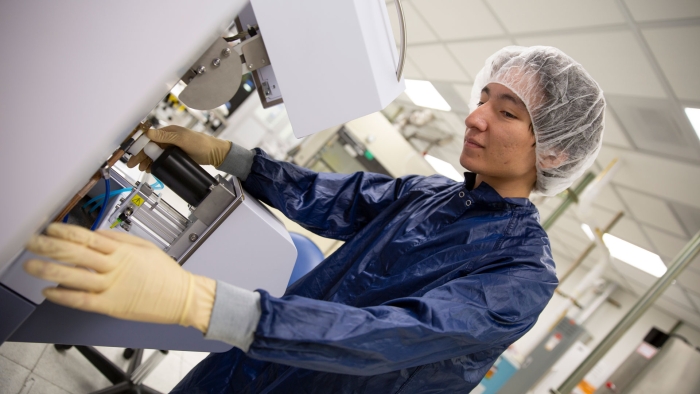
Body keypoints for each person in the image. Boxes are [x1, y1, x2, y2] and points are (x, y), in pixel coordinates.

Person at [24, 46, 605, 393]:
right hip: (247, 369)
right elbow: (331, 196)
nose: (475, 117)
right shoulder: (431, 195)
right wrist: (230, 156)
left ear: (552, 151)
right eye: (483, 97)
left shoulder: (521, 273)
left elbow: (394, 336)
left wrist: (199, 303)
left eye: (505, 112)